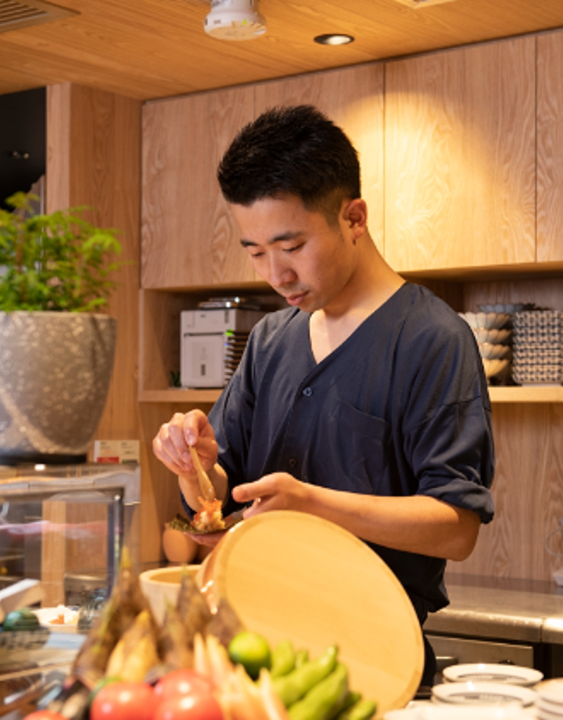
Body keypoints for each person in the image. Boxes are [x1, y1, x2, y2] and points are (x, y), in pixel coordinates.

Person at [151, 104, 496, 688]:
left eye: (291, 245)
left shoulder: (432, 339)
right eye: (256, 252)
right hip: (253, 654)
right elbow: (213, 504)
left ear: (354, 218)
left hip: (372, 661)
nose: (275, 274)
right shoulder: (270, 339)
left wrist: (312, 502)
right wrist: (193, 471)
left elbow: (456, 527)